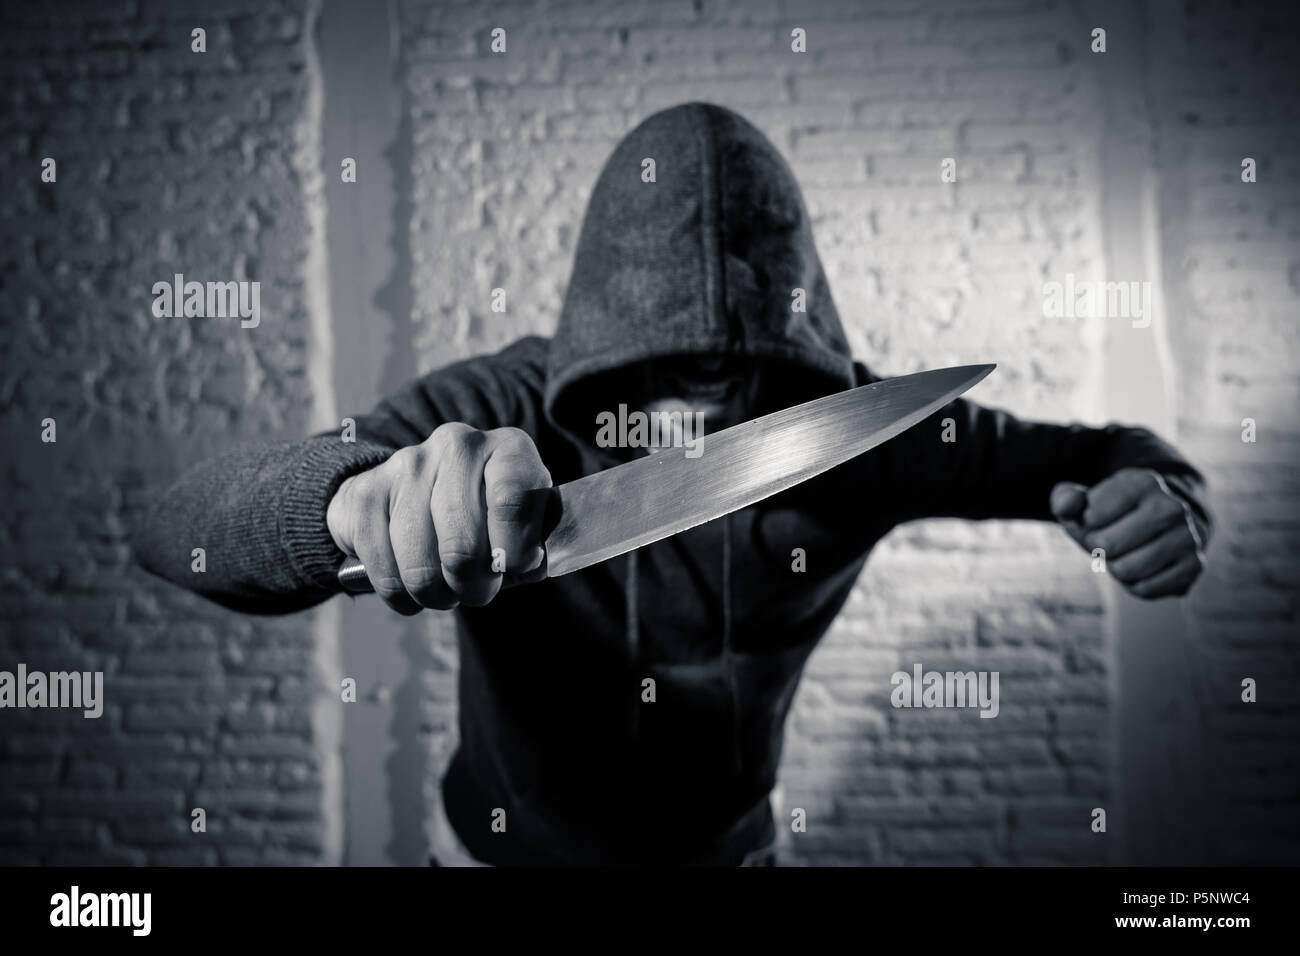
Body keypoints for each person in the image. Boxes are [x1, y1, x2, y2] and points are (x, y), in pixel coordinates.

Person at [135, 102, 1211, 866]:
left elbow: (1119, 451)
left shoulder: (863, 434)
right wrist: (343, 500)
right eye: (660, 372)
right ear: (601, 339)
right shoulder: (497, 410)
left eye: (740, 375)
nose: (702, 416)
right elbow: (179, 527)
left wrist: (1160, 500)